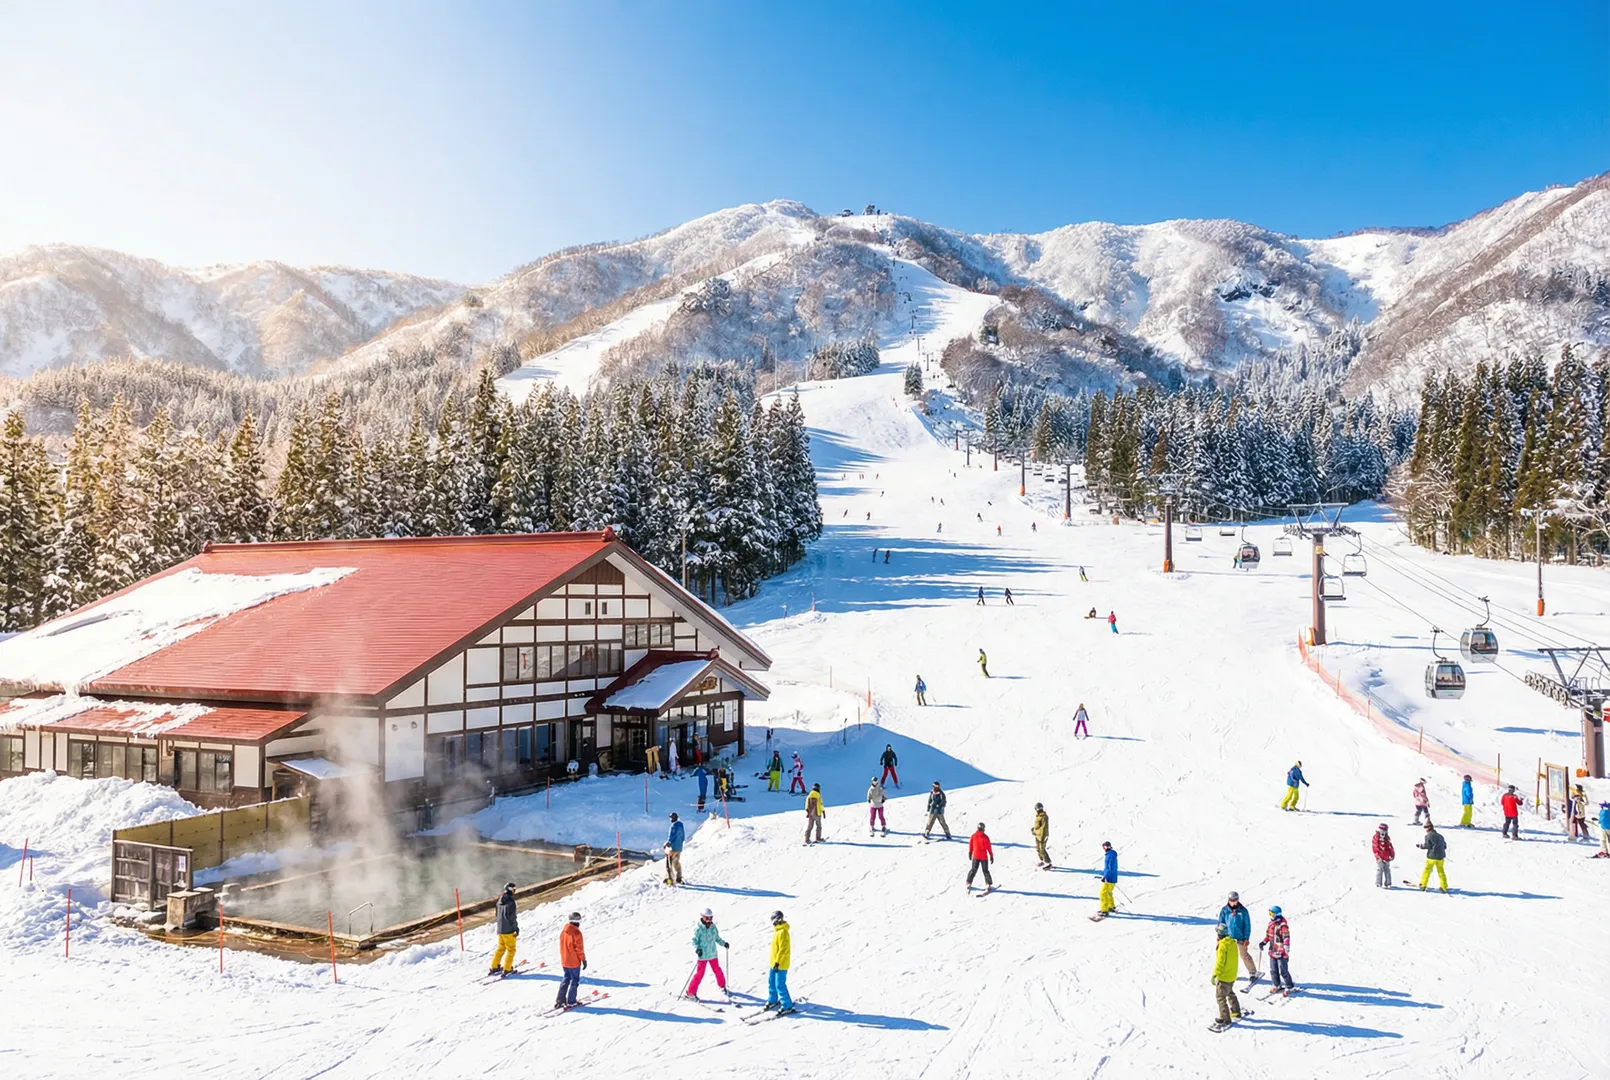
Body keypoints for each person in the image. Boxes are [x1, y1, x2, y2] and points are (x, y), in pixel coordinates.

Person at [685, 908, 729, 999]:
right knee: (699, 974)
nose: (709, 920)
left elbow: (717, 938)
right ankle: (690, 992)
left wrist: (724, 943)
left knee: (717, 970)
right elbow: (694, 941)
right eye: (707, 918)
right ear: (703, 917)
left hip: (712, 954)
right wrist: (697, 949)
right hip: (703, 955)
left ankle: (722, 986)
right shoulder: (699, 929)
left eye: (710, 918)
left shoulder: (713, 927)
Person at [1217, 891, 1259, 984]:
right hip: (1228, 938)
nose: (1233, 902)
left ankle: (1253, 973)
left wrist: (1246, 938)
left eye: (1235, 900)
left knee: (1244, 955)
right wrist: (1220, 936)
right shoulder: (1225, 910)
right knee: (1229, 957)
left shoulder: (1243, 911)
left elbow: (1247, 925)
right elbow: (1221, 923)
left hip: (1240, 937)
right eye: (1231, 900)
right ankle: (1229, 973)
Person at [1210, 927, 1243, 1031]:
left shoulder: (1222, 945)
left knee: (1220, 997)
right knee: (1229, 992)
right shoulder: (1232, 943)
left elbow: (1220, 962)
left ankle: (1226, 1019)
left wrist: (1215, 974)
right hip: (1232, 975)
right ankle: (1235, 1011)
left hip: (1224, 976)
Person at [765, 909, 794, 1013]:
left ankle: (787, 1005)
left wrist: (777, 962)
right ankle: (773, 1000)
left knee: (780, 984)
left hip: (781, 964)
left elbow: (783, 950)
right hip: (774, 963)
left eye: (775, 920)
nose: (773, 923)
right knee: (771, 982)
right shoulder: (777, 931)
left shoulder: (783, 932)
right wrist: (774, 962)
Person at [1260, 906, 1294, 995]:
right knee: (1273, 969)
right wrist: (1263, 942)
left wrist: (1286, 948)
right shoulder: (1271, 923)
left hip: (1281, 951)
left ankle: (1290, 986)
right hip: (1272, 951)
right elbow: (1268, 935)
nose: (1270, 916)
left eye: (1272, 914)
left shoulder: (1283, 925)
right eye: (1269, 913)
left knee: (1283, 970)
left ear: (1277, 914)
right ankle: (1276, 984)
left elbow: (1286, 936)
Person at [555, 911, 586, 1008]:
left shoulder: (564, 931)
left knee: (566, 978)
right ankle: (571, 1001)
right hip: (573, 962)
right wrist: (583, 960)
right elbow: (579, 949)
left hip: (565, 960)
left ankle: (560, 999)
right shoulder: (577, 933)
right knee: (574, 980)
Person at [488, 882, 519, 976]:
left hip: (500, 929)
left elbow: (497, 914)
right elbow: (512, 917)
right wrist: (515, 928)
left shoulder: (499, 901)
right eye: (514, 889)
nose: (514, 891)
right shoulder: (511, 902)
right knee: (511, 950)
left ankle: (494, 966)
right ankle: (507, 968)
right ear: (510, 889)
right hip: (508, 930)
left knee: (501, 948)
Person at [1417, 822, 1448, 892]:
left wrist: (1420, 846)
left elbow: (1427, 846)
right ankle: (1444, 887)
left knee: (1427, 871)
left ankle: (1423, 885)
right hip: (1441, 857)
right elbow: (1445, 846)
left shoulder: (1428, 836)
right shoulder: (1440, 836)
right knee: (1441, 871)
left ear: (1428, 828)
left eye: (1426, 828)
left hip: (1431, 857)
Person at [966, 822, 995, 891]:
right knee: (985, 871)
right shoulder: (985, 837)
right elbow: (989, 847)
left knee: (973, 870)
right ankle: (988, 884)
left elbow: (971, 845)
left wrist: (970, 852)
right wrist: (991, 855)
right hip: (983, 857)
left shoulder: (973, 835)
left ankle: (968, 882)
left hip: (976, 856)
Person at [1097, 841, 1118, 915]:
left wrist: (1106, 876)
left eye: (1103, 847)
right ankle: (1111, 907)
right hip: (1113, 877)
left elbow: (1110, 867)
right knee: (1108, 892)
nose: (1103, 848)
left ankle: (1104, 910)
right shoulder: (1111, 854)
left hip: (1109, 877)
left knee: (1103, 893)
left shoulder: (1110, 855)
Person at [664, 812, 686, 885]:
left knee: (669, 864)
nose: (670, 819)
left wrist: (668, 843)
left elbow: (671, 836)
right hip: (679, 848)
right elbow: (683, 837)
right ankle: (678, 878)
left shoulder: (673, 826)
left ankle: (670, 880)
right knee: (676, 863)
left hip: (672, 848)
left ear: (673, 818)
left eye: (670, 818)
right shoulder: (681, 825)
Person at [1371, 823, 1395, 888]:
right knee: (1380, 869)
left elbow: (1390, 847)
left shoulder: (1387, 838)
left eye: (1385, 832)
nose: (1383, 834)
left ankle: (1388, 882)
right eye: (1382, 832)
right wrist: (1378, 856)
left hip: (1387, 857)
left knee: (1387, 869)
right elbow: (1375, 847)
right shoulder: (1376, 838)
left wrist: (1392, 855)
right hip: (1379, 857)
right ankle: (1378, 882)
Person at [1032, 803, 1051, 868]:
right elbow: (1038, 826)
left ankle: (1048, 863)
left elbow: (1043, 828)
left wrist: (1035, 831)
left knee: (1042, 849)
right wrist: (1034, 829)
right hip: (1038, 836)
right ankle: (1043, 860)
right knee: (1038, 849)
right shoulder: (1038, 816)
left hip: (1043, 836)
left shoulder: (1044, 817)